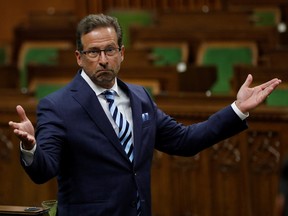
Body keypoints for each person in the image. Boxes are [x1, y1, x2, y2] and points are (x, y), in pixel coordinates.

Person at [8, 13, 281, 216]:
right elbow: (44, 170)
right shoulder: (58, 105)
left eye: (110, 50)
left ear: (122, 53)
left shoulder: (139, 97)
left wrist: (237, 109)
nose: (103, 59)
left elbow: (185, 141)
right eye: (93, 52)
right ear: (79, 57)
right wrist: (30, 148)